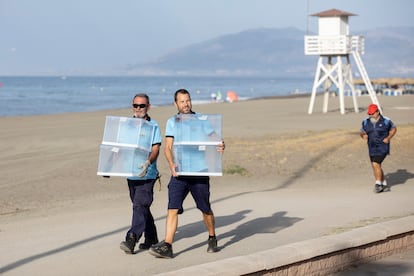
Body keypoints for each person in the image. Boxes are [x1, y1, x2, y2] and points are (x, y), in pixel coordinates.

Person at [149, 88, 225, 258]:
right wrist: (171, 164)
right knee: (172, 209)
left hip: (200, 172)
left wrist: (221, 145)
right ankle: (168, 245)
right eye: (182, 101)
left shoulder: (202, 120)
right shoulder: (172, 122)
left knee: (205, 209)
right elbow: (168, 147)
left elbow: (215, 140)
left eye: (188, 100)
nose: (186, 104)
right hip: (180, 172)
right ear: (176, 104)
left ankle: (212, 237)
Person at [119, 93, 161, 254]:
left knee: (140, 205)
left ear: (148, 107)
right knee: (142, 207)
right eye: (136, 105)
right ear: (132, 106)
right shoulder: (127, 125)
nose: (138, 108)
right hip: (130, 174)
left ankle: (132, 238)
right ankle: (151, 238)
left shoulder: (153, 125)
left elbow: (156, 148)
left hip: (147, 174)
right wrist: (109, 167)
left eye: (142, 106)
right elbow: (120, 147)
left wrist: (148, 162)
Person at [360, 103, 397, 193]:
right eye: (369, 113)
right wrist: (363, 135)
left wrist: (388, 138)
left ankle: (378, 184)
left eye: (372, 113)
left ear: (377, 112)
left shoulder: (386, 121)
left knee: (376, 164)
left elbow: (393, 129)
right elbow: (362, 131)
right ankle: (384, 184)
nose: (370, 115)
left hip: (382, 147)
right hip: (371, 147)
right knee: (376, 166)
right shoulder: (365, 121)